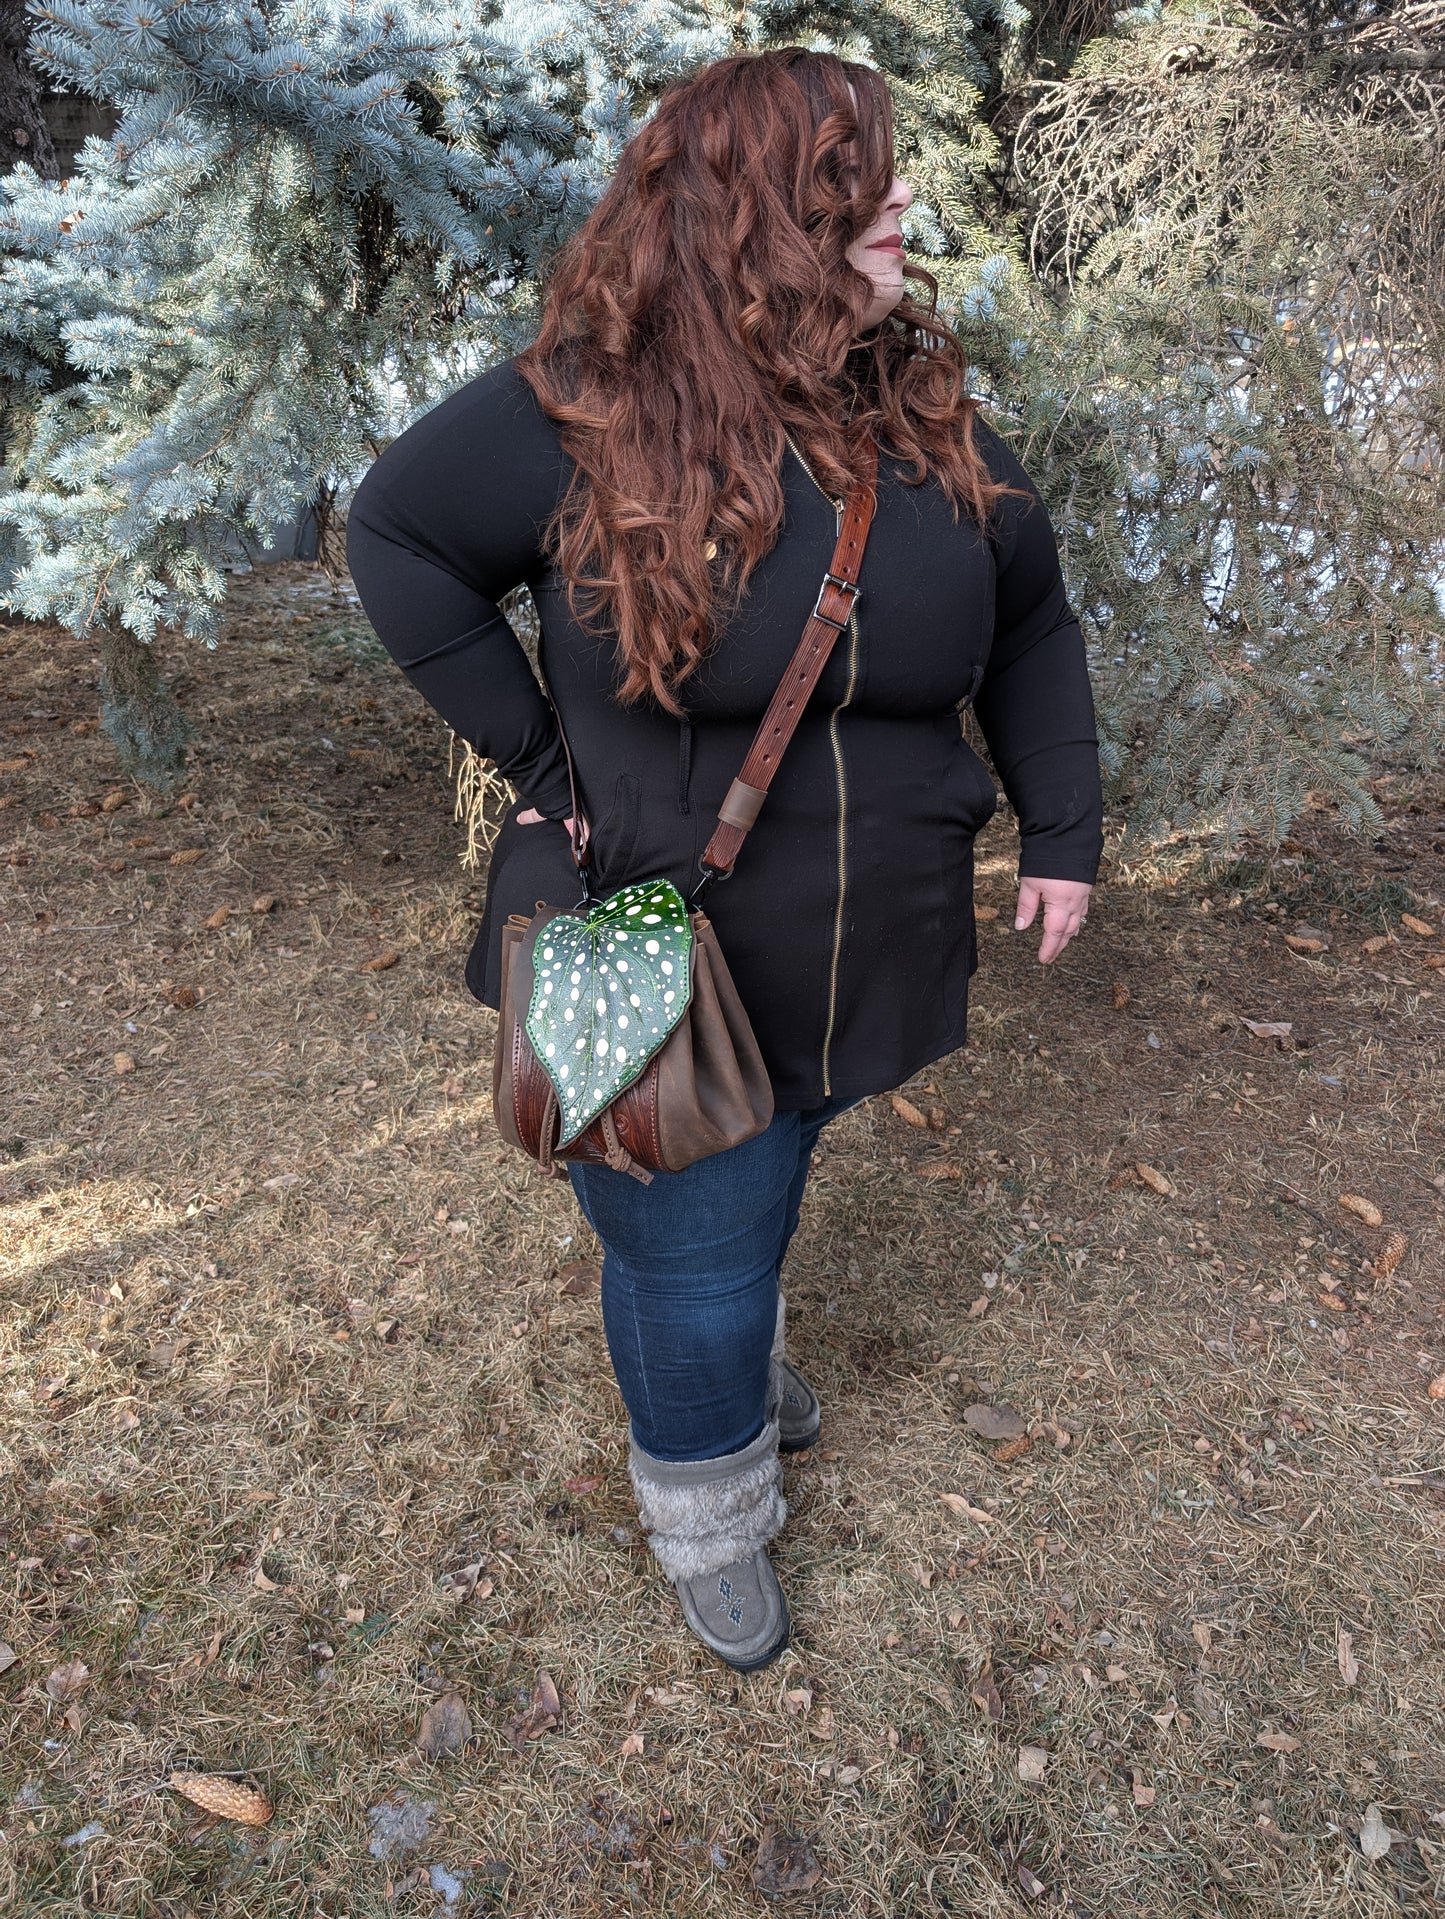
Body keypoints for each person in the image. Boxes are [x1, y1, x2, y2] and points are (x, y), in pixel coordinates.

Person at [346, 47, 1102, 1673]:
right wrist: (538, 764)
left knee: (759, 1194)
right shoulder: (583, 401)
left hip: (872, 940)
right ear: (760, 213)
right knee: (687, 1263)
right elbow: (396, 536)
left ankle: (734, 1342)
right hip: (658, 946)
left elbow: (1029, 617)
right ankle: (708, 1501)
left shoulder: (906, 396)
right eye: (857, 175)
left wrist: (1064, 825)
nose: (899, 199)